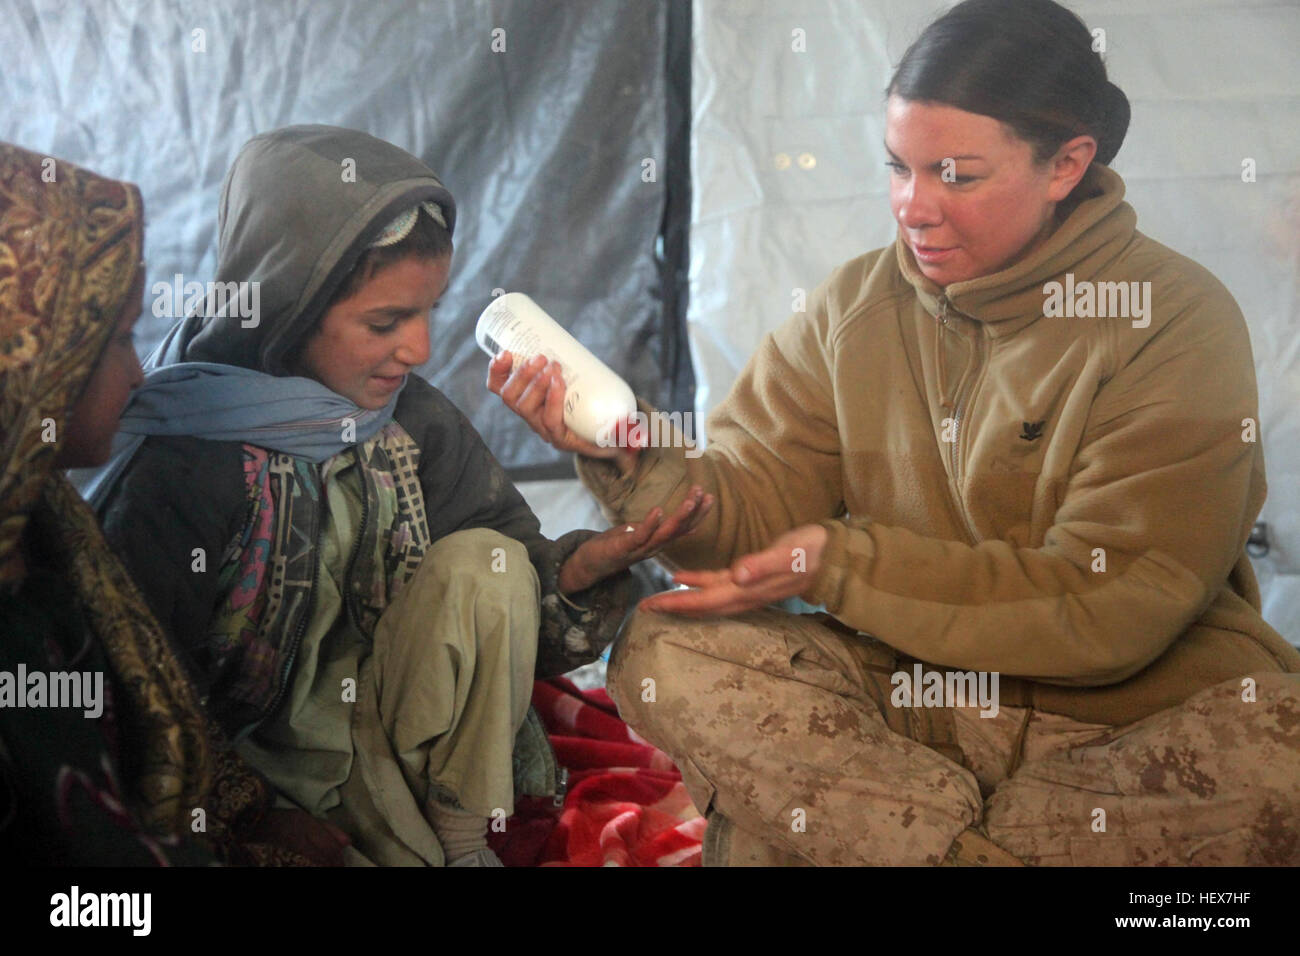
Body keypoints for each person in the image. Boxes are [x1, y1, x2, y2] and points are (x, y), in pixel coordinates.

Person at [490, 0, 1300, 866]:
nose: (914, 208)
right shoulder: (854, 309)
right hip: (911, 705)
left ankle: (904, 840)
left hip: (1125, 724)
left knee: (1282, 745)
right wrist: (629, 449)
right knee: (663, 647)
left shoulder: (1172, 319)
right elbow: (752, 508)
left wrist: (837, 563)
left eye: (956, 175)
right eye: (898, 168)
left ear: (1067, 165)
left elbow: (1107, 606)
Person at [89, 125, 709, 866]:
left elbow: (506, 628)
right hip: (263, 776)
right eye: (385, 322)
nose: (418, 349)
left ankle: (464, 835)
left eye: (428, 314)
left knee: (488, 563)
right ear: (285, 309)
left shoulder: (413, 423)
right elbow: (140, 696)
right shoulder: (182, 462)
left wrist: (575, 571)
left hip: (409, 754)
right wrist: (243, 815)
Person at [0, 142, 343, 865]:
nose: (137, 372)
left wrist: (239, 815)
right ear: (28, 358)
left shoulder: (43, 518)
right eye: (117, 338)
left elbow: (144, 700)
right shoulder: (15, 627)